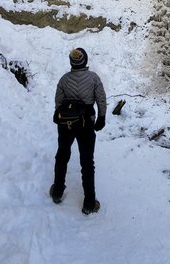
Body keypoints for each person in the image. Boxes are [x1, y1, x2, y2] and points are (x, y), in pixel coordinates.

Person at [50, 47, 107, 214]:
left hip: (66, 123)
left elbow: (58, 102)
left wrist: (64, 118)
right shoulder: (93, 78)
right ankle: (89, 202)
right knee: (87, 162)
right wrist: (101, 118)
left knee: (62, 155)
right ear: (85, 61)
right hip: (86, 123)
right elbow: (101, 100)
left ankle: (57, 191)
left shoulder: (64, 80)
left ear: (71, 62)